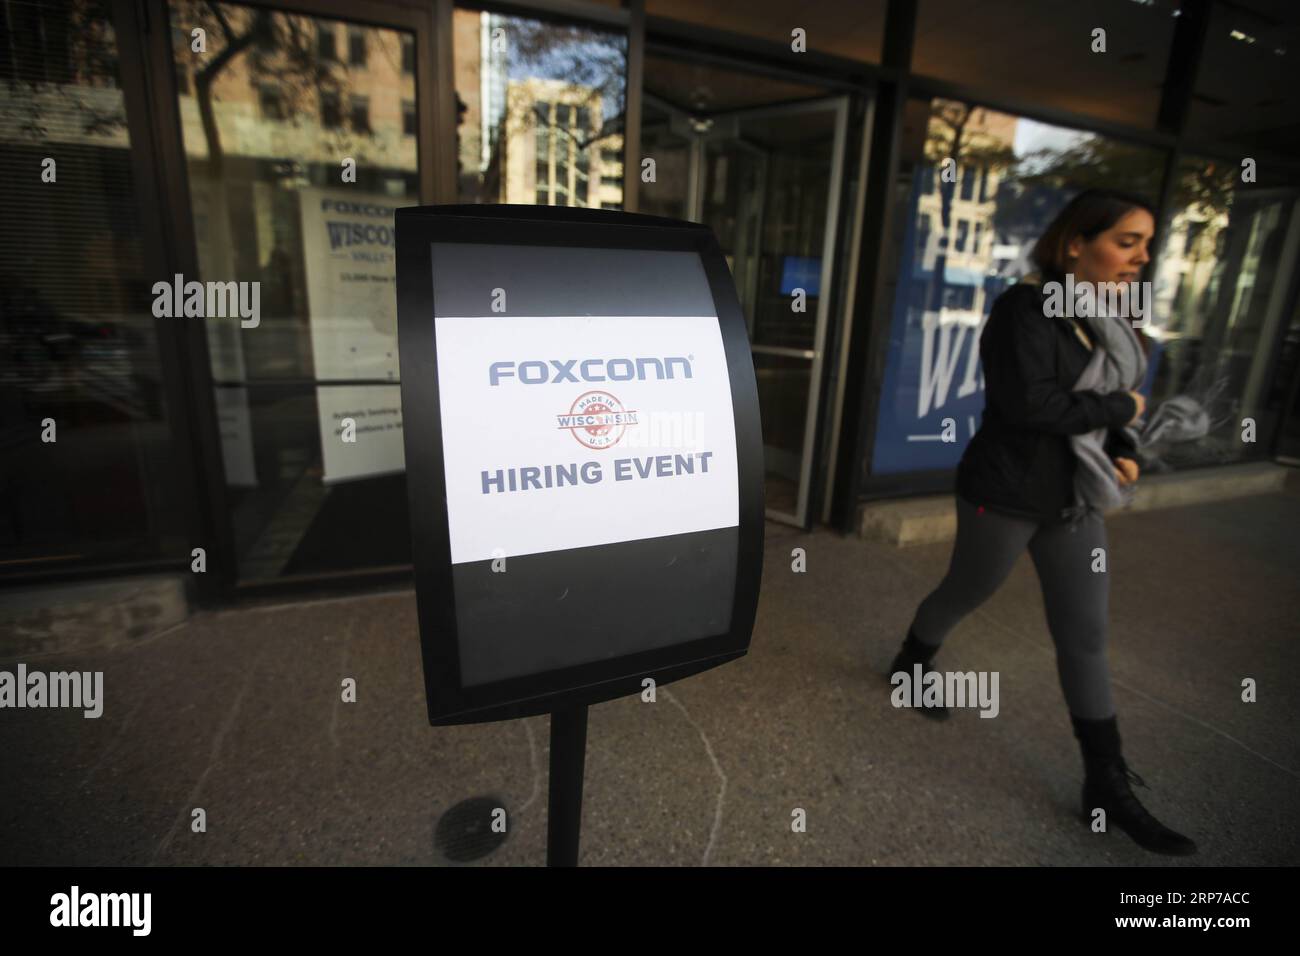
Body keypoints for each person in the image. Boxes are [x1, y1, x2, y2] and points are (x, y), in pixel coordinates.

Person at [890, 189, 1196, 856]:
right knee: (965, 591)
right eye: (1127, 241)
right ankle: (911, 663)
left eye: (1146, 245)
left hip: (1076, 499)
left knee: (1085, 635)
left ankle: (1106, 783)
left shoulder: (1111, 317)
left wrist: (1124, 450)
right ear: (1074, 244)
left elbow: (1107, 414)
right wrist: (1124, 406)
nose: (1141, 258)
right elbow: (1030, 404)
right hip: (1005, 490)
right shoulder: (1023, 309)